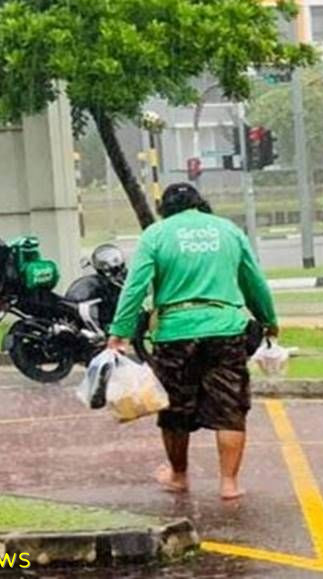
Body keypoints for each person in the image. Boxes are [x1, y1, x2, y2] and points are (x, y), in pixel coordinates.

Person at [107, 182, 277, 501]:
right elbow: (253, 281)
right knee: (230, 408)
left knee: (174, 409)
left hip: (175, 333)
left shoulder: (156, 235)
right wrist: (268, 320)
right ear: (201, 203)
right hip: (225, 329)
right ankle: (229, 484)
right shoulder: (228, 231)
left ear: (165, 209)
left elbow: (135, 288)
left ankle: (179, 475)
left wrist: (119, 332)